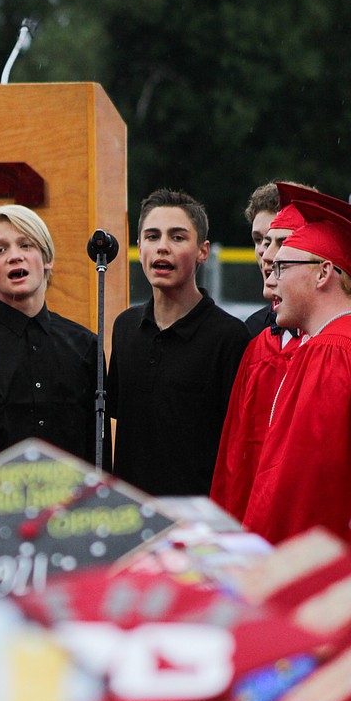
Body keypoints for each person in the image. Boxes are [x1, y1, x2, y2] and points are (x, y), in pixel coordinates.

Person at [244, 193, 351, 558]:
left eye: (283, 266)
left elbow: (298, 491)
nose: (271, 275)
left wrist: (255, 563)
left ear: (323, 273)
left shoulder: (330, 355)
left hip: (312, 569)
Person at [107, 188, 248, 496]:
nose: (162, 248)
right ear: (139, 245)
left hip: (200, 524)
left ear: (203, 250)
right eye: (152, 236)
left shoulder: (230, 337)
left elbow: (240, 446)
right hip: (133, 518)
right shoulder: (125, 328)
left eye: (178, 237)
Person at [0, 204, 104, 464]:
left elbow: (97, 449)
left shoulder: (85, 345)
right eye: (0, 249)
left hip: (72, 501)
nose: (15, 256)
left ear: (47, 258)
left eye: (26, 245)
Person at [211, 185, 309, 520]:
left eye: (280, 241)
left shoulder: (347, 339)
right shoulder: (251, 336)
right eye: (259, 240)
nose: (267, 255)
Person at [243, 181, 282, 336]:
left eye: (280, 241)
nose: (263, 252)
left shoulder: (348, 332)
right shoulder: (250, 331)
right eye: (259, 240)